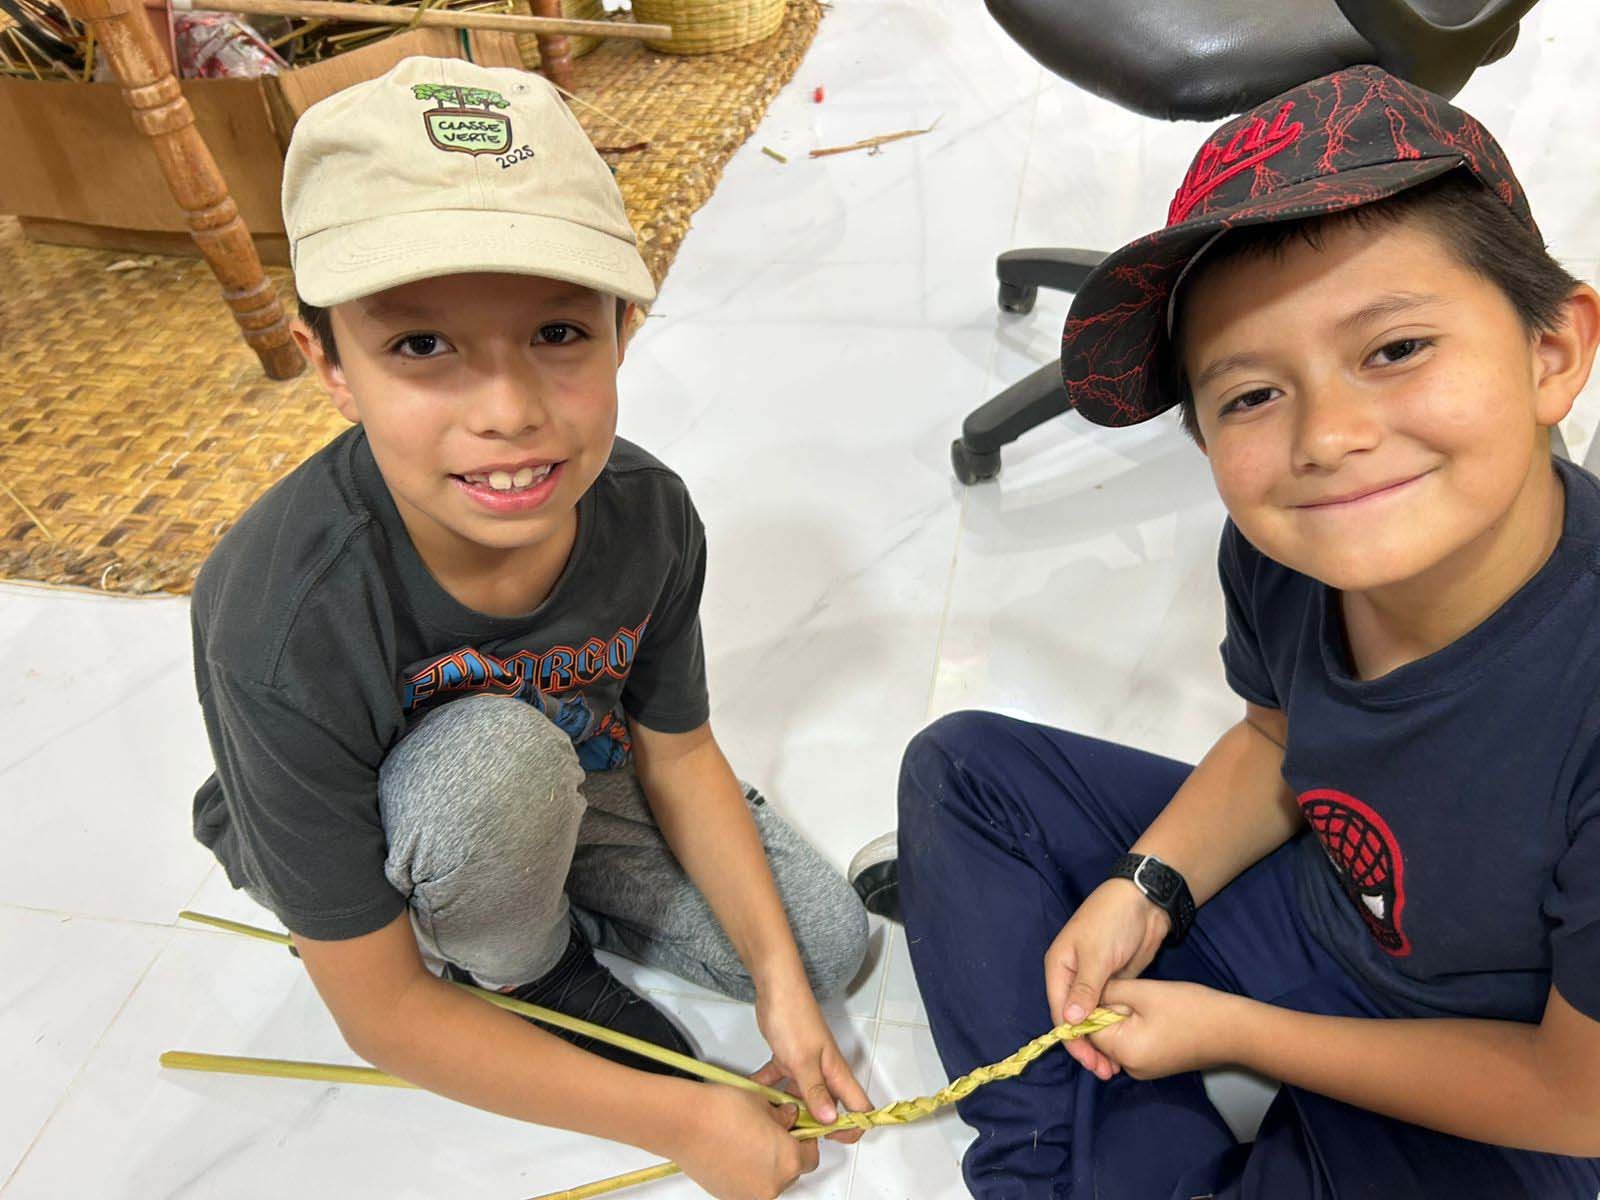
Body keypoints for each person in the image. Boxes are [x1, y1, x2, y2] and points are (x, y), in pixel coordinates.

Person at [848, 65, 1600, 1199]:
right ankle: (1052, 1165)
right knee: (964, 773)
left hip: (1497, 1081)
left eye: (1395, 348)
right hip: (1320, 920)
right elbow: (1274, 740)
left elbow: (1572, 1096)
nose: (1325, 438)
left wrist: (1235, 1032)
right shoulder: (1293, 547)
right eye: (1251, 395)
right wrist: (1145, 886)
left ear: (1553, 350)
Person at [189, 56, 870, 1200]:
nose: (508, 413)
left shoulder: (647, 512)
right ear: (329, 365)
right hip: (419, 806)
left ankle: (528, 897)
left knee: (826, 943)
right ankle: (521, 969)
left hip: (566, 766)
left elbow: (679, 751)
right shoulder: (279, 617)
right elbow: (381, 1013)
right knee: (493, 761)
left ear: (622, 328)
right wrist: (684, 1122)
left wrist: (779, 987)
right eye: (419, 347)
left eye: (558, 332)